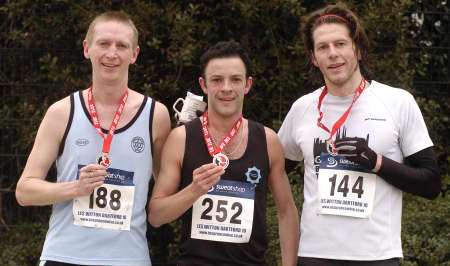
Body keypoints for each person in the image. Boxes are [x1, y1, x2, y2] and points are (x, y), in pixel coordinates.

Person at [277, 3, 441, 266]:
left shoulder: (397, 102)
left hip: (377, 256)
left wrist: (377, 163)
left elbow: (431, 184)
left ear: (358, 49)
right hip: (314, 255)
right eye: (323, 47)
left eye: (340, 43)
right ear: (313, 58)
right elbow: (272, 169)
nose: (332, 54)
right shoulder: (302, 108)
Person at [15, 11, 171, 266]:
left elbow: (165, 189)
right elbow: (24, 191)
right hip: (64, 256)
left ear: (135, 54)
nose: (112, 53)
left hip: (128, 259)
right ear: (87, 49)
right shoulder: (61, 111)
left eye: (122, 46)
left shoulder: (156, 115)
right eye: (103, 44)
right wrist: (75, 188)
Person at [149, 40, 299, 266]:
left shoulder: (268, 140)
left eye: (235, 80)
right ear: (204, 85)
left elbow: (287, 211)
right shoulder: (181, 138)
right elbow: (156, 216)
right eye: (217, 80)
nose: (226, 88)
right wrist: (194, 190)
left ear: (247, 84)